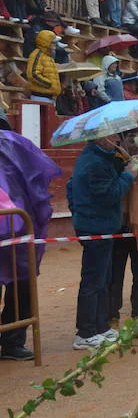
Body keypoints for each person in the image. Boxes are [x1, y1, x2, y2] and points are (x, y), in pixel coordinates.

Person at [68, 135, 138, 349]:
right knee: (93, 280)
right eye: (114, 137)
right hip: (95, 226)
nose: (117, 140)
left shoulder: (100, 157)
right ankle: (85, 332)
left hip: (100, 225)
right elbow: (111, 194)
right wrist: (129, 174)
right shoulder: (94, 162)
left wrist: (126, 163)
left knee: (103, 278)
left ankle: (101, 326)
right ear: (101, 138)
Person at [0, 125, 61, 361]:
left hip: (17, 226)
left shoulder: (13, 144)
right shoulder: (14, 143)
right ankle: (12, 342)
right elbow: (37, 180)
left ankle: (12, 341)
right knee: (22, 283)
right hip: (20, 226)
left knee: (22, 283)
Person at [24, 29, 60, 100]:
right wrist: (49, 84)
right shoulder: (37, 55)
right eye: (53, 42)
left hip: (49, 97)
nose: (55, 44)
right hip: (40, 97)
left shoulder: (48, 56)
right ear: (46, 43)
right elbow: (33, 74)